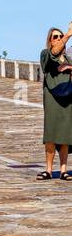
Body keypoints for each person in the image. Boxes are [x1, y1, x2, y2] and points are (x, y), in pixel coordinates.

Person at [38, 25, 72, 180]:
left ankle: (64, 170)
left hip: (68, 97)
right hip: (52, 97)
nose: (59, 39)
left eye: (60, 36)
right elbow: (54, 54)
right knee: (51, 134)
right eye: (55, 37)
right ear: (50, 41)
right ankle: (49, 170)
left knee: (65, 135)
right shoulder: (46, 54)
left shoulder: (69, 59)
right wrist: (68, 34)